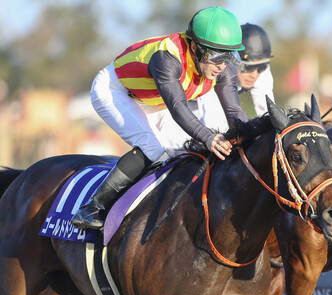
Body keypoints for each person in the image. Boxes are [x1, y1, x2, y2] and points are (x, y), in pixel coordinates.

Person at [72, 6, 249, 230]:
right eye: (215, 56)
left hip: (153, 99)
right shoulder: (167, 58)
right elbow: (177, 107)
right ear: (194, 47)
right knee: (152, 147)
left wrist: (257, 137)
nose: (222, 65)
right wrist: (209, 136)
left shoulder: (221, 68)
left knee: (185, 151)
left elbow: (235, 113)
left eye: (228, 56)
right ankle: (93, 208)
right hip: (114, 90)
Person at [192, 22, 275, 125]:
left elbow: (269, 116)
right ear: (233, 60)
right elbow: (213, 123)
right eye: (248, 67)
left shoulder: (261, 71)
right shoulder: (216, 71)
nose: (254, 74)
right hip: (184, 103)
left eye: (262, 66)